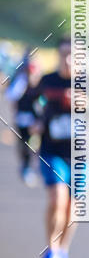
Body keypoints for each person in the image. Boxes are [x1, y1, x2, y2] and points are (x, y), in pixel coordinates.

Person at [32, 37, 76, 258]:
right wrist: (36, 122)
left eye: (74, 54)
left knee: (73, 207)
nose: (68, 59)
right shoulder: (48, 81)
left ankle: (63, 251)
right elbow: (30, 103)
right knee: (58, 198)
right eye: (64, 54)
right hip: (52, 150)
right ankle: (52, 249)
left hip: (82, 155)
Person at [5, 51, 41, 187]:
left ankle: (34, 166)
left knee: (36, 144)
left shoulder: (40, 82)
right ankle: (26, 167)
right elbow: (11, 95)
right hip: (22, 119)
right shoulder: (21, 80)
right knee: (24, 145)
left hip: (35, 120)